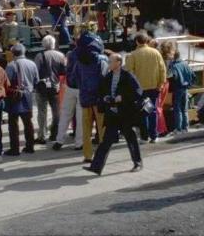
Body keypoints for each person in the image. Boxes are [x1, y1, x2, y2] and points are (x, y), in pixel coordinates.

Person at [82, 53, 143, 176]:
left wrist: (123, 98)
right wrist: (105, 98)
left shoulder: (127, 76)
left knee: (130, 139)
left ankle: (138, 163)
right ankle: (96, 167)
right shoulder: (108, 77)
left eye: (110, 61)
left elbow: (138, 92)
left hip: (125, 113)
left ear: (118, 63)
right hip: (113, 114)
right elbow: (102, 91)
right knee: (106, 141)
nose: (108, 64)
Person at [70, 31, 109, 162]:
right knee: (102, 128)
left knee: (86, 129)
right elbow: (105, 78)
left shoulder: (79, 60)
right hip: (99, 100)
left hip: (85, 98)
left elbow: (74, 79)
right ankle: (102, 155)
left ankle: (87, 156)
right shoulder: (102, 59)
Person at [125, 32, 167, 143]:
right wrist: (161, 84)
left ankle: (144, 137)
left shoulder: (133, 54)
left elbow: (128, 71)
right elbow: (163, 70)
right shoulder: (156, 53)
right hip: (154, 86)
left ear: (137, 42)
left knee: (142, 112)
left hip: (140, 89)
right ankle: (154, 135)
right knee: (152, 111)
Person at [5, 44, 39, 156]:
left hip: (15, 96)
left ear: (13, 53)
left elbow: (7, 82)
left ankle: (14, 149)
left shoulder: (11, 65)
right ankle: (30, 146)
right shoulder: (32, 64)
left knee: (13, 123)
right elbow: (36, 80)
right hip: (28, 95)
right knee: (28, 122)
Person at [34, 35, 65, 145]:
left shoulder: (39, 56)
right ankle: (54, 132)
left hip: (42, 87)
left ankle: (42, 135)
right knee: (56, 111)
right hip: (55, 87)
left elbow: (35, 72)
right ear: (53, 44)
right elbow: (64, 72)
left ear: (43, 44)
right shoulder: (61, 55)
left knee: (42, 112)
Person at [167, 43, 195, 135]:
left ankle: (178, 129)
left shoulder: (174, 66)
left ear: (173, 56)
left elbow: (172, 77)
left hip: (177, 88)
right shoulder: (185, 64)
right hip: (185, 88)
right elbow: (193, 75)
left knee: (177, 108)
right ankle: (185, 128)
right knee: (185, 109)